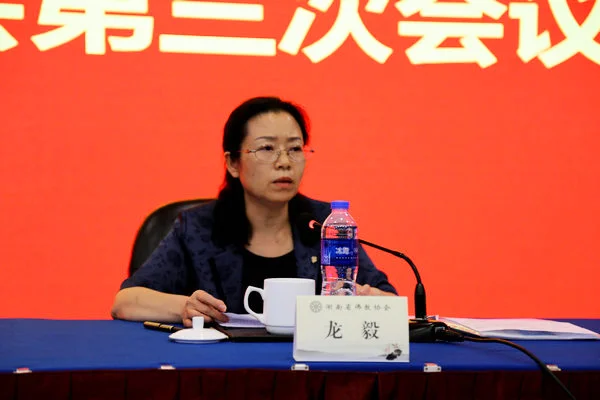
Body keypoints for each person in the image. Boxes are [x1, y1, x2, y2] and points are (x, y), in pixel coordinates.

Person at [111, 96, 397, 328]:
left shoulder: (325, 224)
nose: (284, 161)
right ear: (233, 163)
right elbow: (125, 302)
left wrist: (368, 299)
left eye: (295, 149)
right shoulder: (198, 228)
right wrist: (185, 306)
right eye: (267, 148)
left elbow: (389, 301)